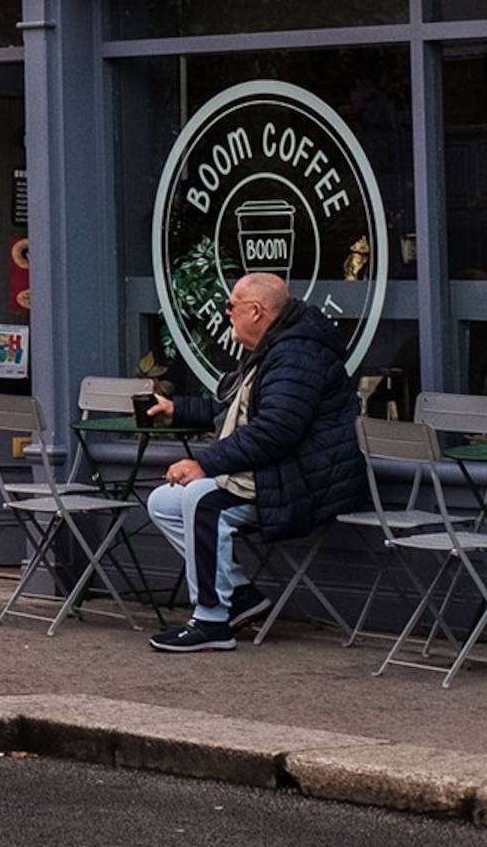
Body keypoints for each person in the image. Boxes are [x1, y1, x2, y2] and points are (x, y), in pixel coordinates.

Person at [142, 271, 364, 653]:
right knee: (163, 501)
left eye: (231, 306)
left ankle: (212, 622)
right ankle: (241, 596)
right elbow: (233, 410)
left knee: (201, 499)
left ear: (257, 311)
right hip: (279, 472)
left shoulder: (297, 354)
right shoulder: (275, 347)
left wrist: (206, 465)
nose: (227, 313)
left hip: (305, 479)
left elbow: (275, 430)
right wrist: (178, 410)